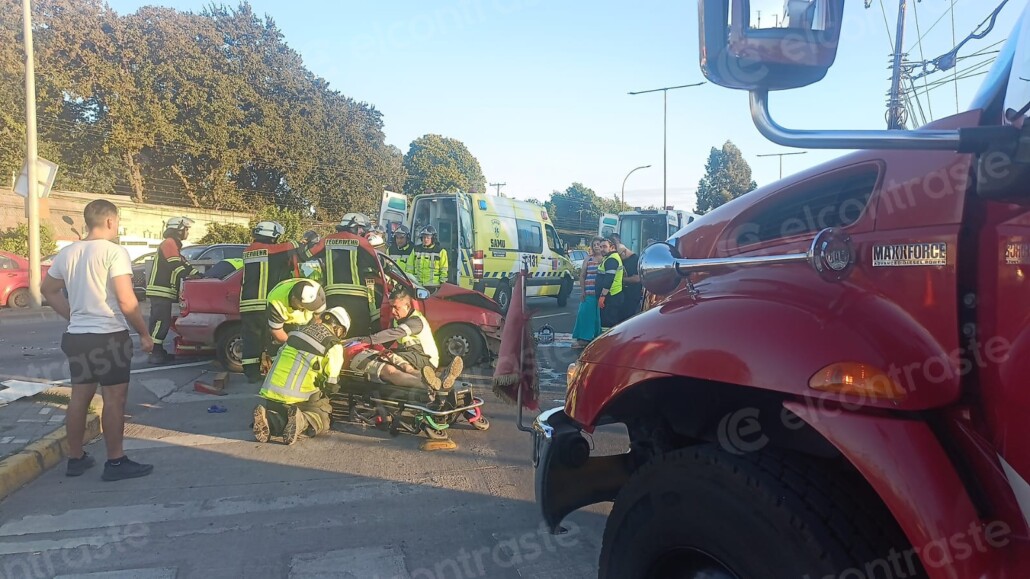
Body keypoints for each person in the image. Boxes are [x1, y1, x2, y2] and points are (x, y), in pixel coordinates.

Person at [40, 199, 155, 481]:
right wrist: (143, 332)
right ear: (110, 221)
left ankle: (76, 458)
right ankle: (115, 463)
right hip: (108, 337)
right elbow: (127, 300)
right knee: (114, 399)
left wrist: (73, 315)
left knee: (80, 396)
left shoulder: (68, 253)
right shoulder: (114, 252)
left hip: (78, 337)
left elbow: (48, 289)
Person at [252, 307, 351, 445]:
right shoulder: (333, 344)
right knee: (322, 416)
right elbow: (331, 381)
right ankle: (302, 421)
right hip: (297, 397)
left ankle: (269, 419)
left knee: (282, 415)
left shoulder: (297, 333)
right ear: (339, 329)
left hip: (271, 392)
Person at [240, 221, 316, 382]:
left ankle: (251, 375)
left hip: (248, 304)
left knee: (251, 340)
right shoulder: (272, 250)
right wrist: (307, 239)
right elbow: (292, 247)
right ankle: (277, 372)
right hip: (268, 303)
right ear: (271, 236)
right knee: (275, 339)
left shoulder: (248, 251)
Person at [349, 286, 463, 391]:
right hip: (414, 355)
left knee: (392, 362)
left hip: (425, 358)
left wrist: (370, 340)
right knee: (390, 356)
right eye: (391, 307)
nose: (393, 312)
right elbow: (388, 342)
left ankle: (433, 380)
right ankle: (441, 378)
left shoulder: (415, 321)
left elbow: (393, 333)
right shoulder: (399, 319)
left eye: (396, 307)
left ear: (407, 306)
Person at [308, 213, 381, 339]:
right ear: (358, 228)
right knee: (357, 337)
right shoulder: (361, 242)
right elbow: (379, 263)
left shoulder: (327, 240)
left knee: (333, 335)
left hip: (332, 298)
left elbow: (306, 255)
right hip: (356, 300)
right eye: (363, 229)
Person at [146, 216, 198, 364]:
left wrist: (200, 276)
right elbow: (176, 266)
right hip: (160, 290)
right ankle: (155, 353)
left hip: (163, 291)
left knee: (161, 321)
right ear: (179, 230)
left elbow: (185, 265)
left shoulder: (173, 246)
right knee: (160, 322)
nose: (187, 232)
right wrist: (189, 276)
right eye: (186, 229)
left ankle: (158, 350)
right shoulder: (169, 244)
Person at [266, 278, 327, 348]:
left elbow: (319, 317)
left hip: (309, 320)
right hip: (287, 325)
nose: (307, 308)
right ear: (294, 299)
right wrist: (294, 346)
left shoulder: (318, 291)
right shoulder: (275, 303)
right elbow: (277, 331)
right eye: (305, 305)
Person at [571, 237, 605, 348]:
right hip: (589, 293)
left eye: (598, 244)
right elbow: (582, 275)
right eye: (594, 244)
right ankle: (582, 338)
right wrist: (582, 291)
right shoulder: (588, 259)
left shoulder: (606, 259)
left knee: (596, 317)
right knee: (584, 313)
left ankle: (595, 338)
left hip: (601, 294)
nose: (596, 246)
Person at [597, 237, 625, 333]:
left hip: (611, 296)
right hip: (612, 296)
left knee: (607, 324)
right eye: (600, 247)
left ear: (612, 247)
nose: (601, 249)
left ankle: (607, 344)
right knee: (608, 323)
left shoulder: (611, 260)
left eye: (604, 246)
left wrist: (602, 296)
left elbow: (609, 279)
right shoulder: (610, 258)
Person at [619, 243, 642, 322]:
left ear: (624, 252)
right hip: (623, 297)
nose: (620, 258)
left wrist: (621, 279)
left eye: (620, 255)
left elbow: (637, 279)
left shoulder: (636, 260)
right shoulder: (623, 260)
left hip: (633, 297)